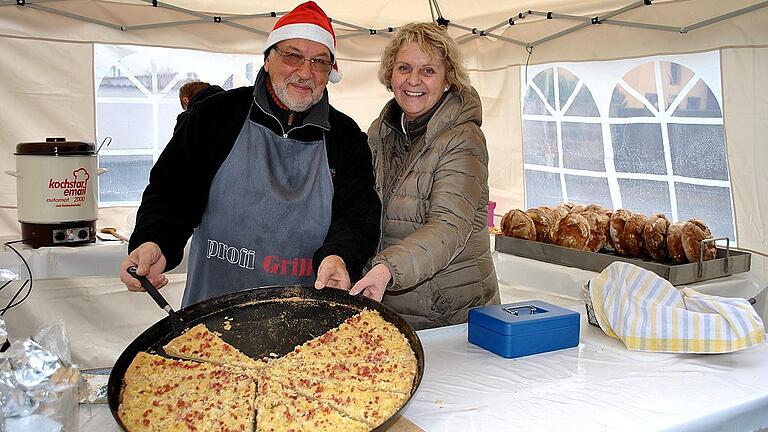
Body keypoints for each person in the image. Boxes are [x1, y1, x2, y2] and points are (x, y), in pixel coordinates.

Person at [120, 1, 381, 307]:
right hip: (214, 314)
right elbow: (171, 193)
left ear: (330, 72)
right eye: (293, 56)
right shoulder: (216, 116)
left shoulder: (346, 137)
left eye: (319, 61)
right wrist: (155, 241)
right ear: (268, 60)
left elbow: (358, 215)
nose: (305, 72)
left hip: (305, 320)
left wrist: (340, 255)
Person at [350, 22, 500, 329]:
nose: (413, 80)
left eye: (428, 70)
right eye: (404, 68)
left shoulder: (463, 139)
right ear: (390, 75)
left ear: (448, 79)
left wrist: (386, 269)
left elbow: (448, 227)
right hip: (393, 306)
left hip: (451, 315)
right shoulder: (380, 132)